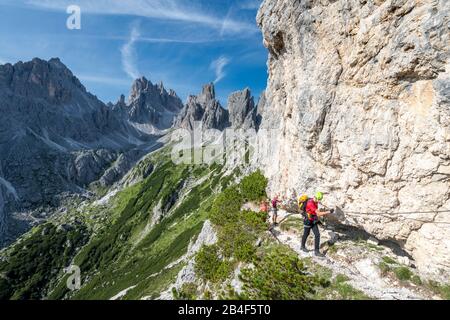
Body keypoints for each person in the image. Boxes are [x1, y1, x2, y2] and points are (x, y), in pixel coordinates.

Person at [301, 192, 333, 257]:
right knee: (306, 234)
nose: (319, 201)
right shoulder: (310, 203)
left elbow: (315, 211)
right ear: (316, 197)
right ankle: (302, 246)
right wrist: (329, 212)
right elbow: (318, 214)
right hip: (307, 221)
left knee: (317, 234)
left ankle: (316, 251)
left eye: (319, 200)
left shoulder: (315, 201)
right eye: (319, 199)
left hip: (313, 220)